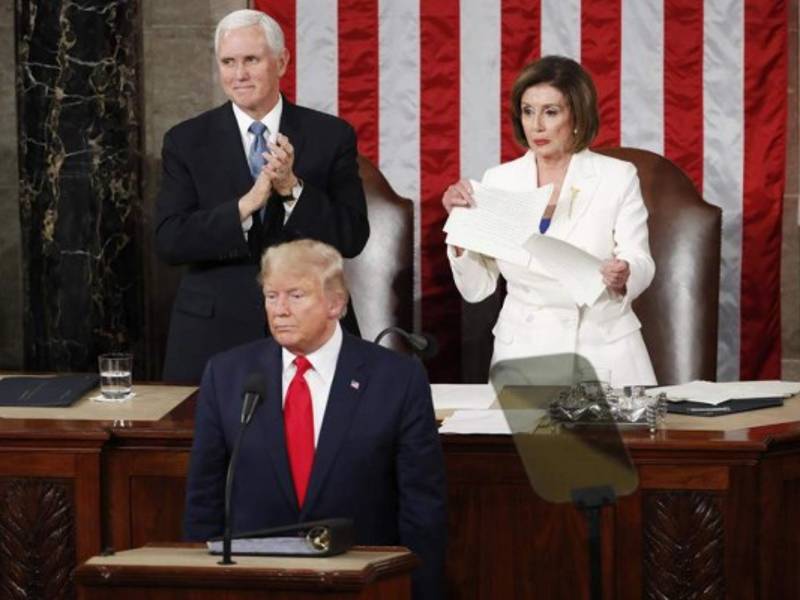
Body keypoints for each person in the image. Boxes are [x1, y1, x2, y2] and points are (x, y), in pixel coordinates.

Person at [183, 239, 447, 600]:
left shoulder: (397, 379)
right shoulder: (227, 374)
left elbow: (423, 509)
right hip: (254, 584)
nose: (280, 310)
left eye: (295, 295)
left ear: (335, 303)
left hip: (361, 584)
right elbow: (204, 499)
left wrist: (416, 592)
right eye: (271, 296)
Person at [155, 9, 369, 383]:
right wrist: (243, 207)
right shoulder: (185, 141)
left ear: (281, 61)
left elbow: (352, 236)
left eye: (251, 60)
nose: (239, 75)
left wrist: (292, 191)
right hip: (212, 335)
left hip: (311, 328)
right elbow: (170, 240)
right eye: (228, 62)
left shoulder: (330, 136)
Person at [442, 55, 656, 387]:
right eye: (528, 111)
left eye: (551, 112)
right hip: (524, 352)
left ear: (576, 116)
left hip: (602, 351)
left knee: (611, 441)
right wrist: (458, 232)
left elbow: (640, 257)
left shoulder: (617, 176)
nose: (536, 125)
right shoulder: (499, 181)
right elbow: (477, 288)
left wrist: (624, 272)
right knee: (530, 441)